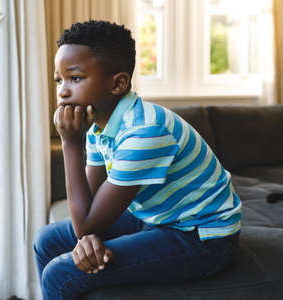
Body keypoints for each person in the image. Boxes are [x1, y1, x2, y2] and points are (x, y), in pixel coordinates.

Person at [33, 20, 241, 300]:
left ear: (118, 83)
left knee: (60, 273)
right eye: (59, 80)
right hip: (156, 217)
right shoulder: (98, 126)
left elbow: (85, 223)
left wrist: (71, 143)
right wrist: (88, 237)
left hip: (201, 238)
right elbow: (90, 214)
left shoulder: (145, 131)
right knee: (46, 241)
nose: (62, 91)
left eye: (76, 78)